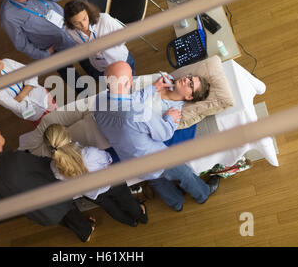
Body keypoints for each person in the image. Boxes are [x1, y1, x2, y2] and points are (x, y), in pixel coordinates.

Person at [94, 61, 219, 211]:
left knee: (157, 181)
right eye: (189, 78)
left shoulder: (99, 102)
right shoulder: (139, 112)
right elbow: (164, 134)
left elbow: (126, 100)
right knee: (184, 173)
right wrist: (170, 120)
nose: (186, 79)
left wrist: (153, 88)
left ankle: (176, 204)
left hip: (131, 163)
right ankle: (203, 194)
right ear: (129, 82)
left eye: (191, 83)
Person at [0, 125, 95, 242]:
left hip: (38, 214)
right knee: (72, 216)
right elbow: (47, 167)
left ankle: (78, 225)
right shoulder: (16, 159)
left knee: (63, 218)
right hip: (55, 204)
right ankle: (87, 231)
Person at [43, 123, 148, 227]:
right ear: (67, 136)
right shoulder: (89, 153)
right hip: (111, 183)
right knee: (127, 200)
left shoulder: (54, 167)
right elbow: (108, 159)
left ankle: (130, 222)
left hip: (92, 193)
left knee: (112, 209)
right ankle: (142, 217)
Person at [0, 0, 82, 93]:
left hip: (73, 30)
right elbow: (22, 44)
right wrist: (45, 54)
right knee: (74, 80)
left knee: (90, 62)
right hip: (56, 49)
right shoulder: (8, 16)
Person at [0, 51, 56, 127]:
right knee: (53, 130)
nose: (1, 62)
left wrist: (20, 96)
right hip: (33, 114)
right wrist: (29, 86)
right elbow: (18, 108)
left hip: (44, 96)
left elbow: (32, 73)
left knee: (61, 115)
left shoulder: (7, 62)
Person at [64, 0, 136, 81]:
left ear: (88, 12)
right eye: (77, 23)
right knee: (112, 90)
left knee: (132, 85)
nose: (83, 25)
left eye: (84, 18)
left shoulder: (104, 20)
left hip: (121, 62)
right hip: (100, 69)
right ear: (70, 23)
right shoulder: (70, 31)